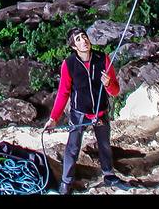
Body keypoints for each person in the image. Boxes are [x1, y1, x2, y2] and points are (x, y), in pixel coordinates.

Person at [43, 27, 130, 194]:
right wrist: (54, 118)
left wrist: (108, 83)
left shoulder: (102, 58)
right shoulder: (69, 64)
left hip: (100, 111)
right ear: (74, 47)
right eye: (78, 39)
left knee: (104, 145)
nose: (83, 41)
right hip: (79, 112)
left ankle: (109, 175)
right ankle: (66, 183)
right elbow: (63, 92)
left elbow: (115, 91)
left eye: (84, 37)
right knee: (73, 147)